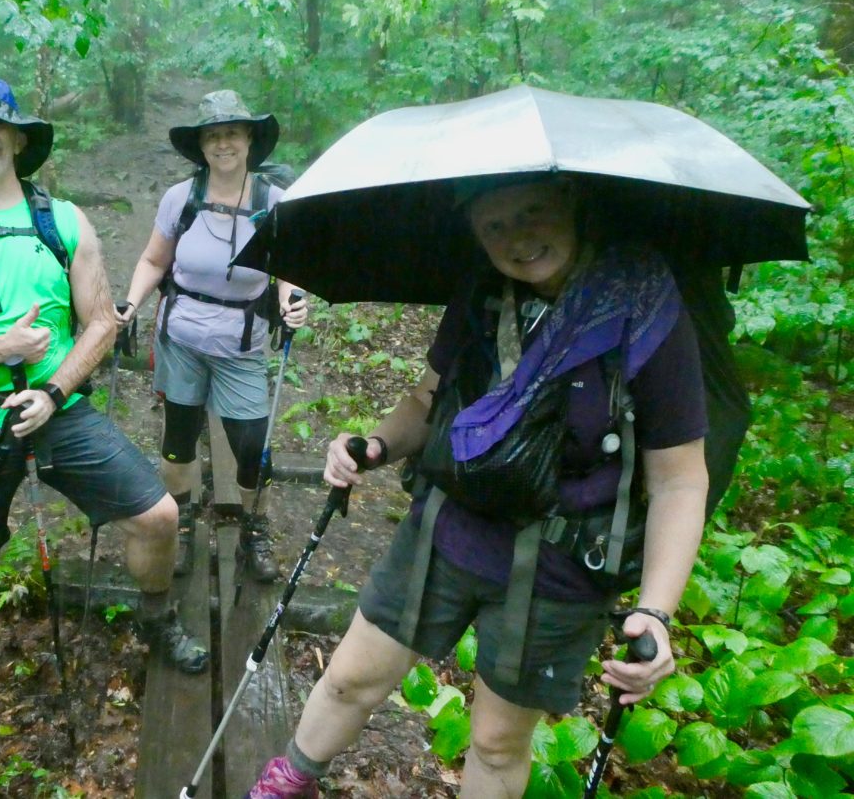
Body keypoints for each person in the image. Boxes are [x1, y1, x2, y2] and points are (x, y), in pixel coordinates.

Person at [245, 177, 710, 798]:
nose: (517, 238)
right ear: (475, 234)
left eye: (533, 213)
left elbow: (679, 480)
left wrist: (655, 610)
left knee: (495, 743)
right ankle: (285, 783)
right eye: (495, 226)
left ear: (571, 205)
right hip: (448, 527)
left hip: (559, 563)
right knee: (349, 680)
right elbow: (425, 401)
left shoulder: (644, 309)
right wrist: (376, 445)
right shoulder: (483, 292)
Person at [0, 76, 208, 718]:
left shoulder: (61, 220)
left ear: (19, 140)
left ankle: (156, 619)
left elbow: (102, 322)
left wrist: (55, 391)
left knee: (158, 516)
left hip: (58, 410)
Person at [117, 90, 308, 581]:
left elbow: (289, 266)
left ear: (249, 139)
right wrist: (131, 304)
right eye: (213, 135)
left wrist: (290, 299)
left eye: (232, 133)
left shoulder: (274, 202)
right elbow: (154, 261)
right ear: (201, 146)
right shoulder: (181, 198)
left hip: (241, 344)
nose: (223, 143)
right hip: (180, 339)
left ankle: (253, 528)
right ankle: (180, 527)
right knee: (178, 440)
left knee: (251, 446)